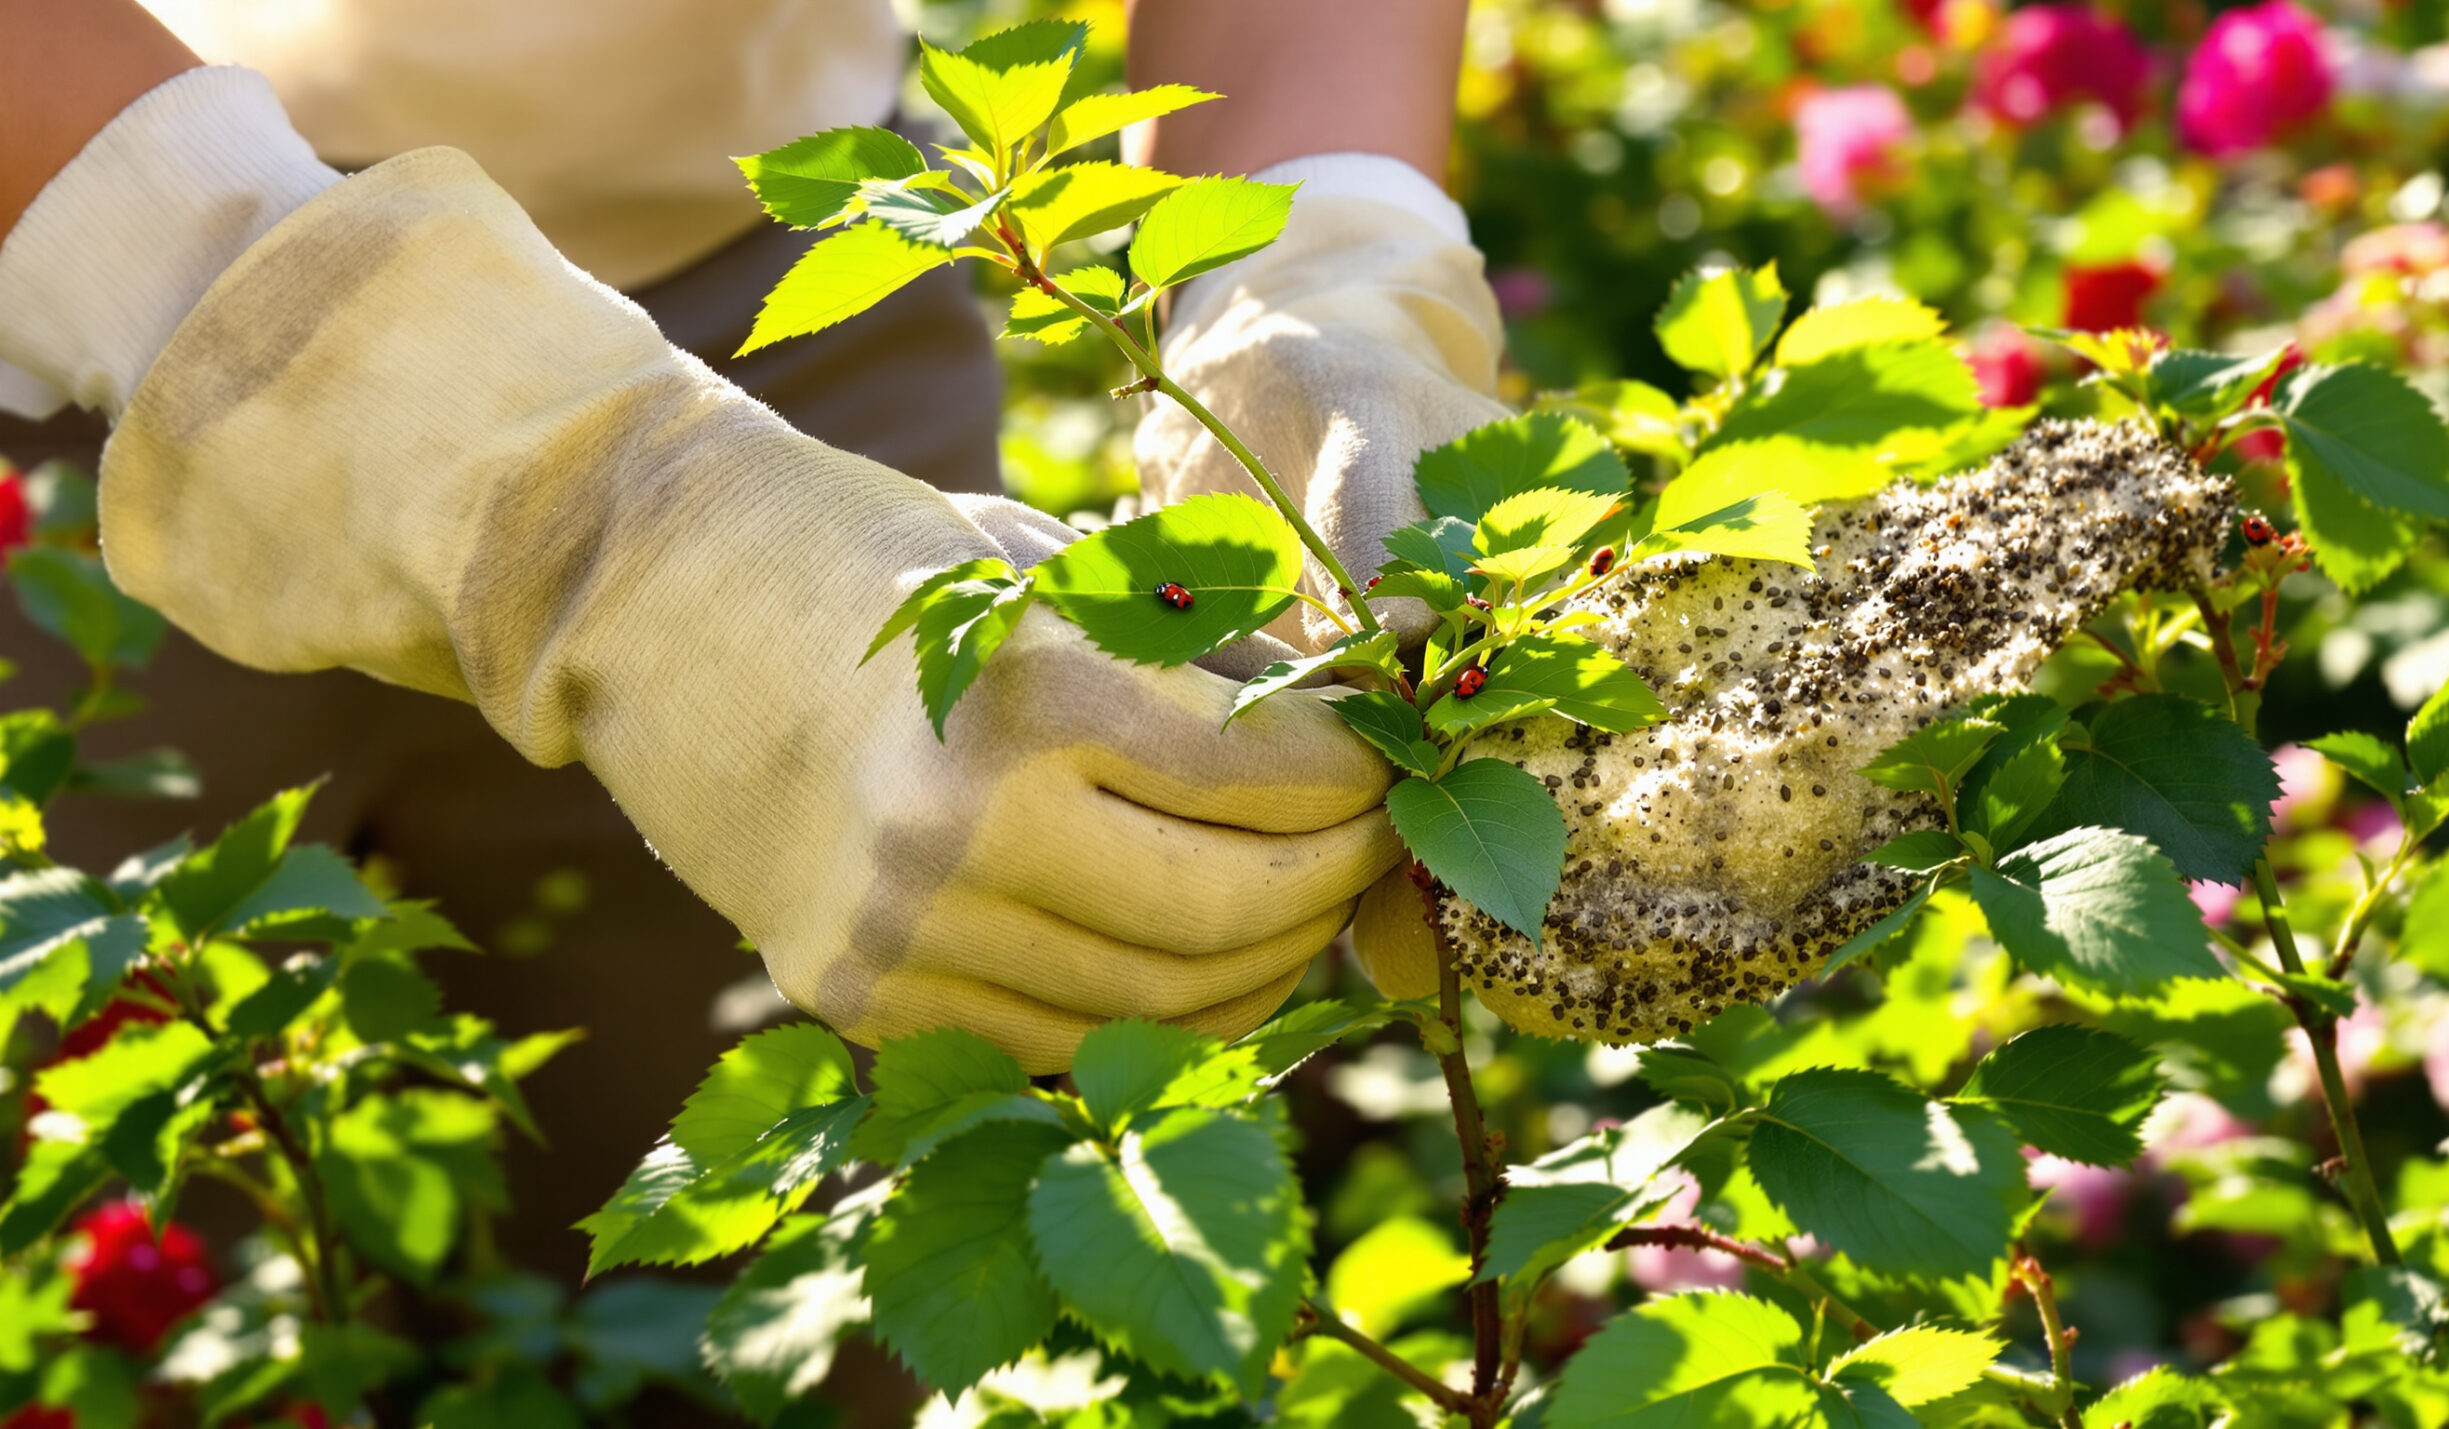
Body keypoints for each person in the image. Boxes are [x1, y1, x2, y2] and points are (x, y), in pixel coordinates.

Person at [0, 0, 1509, 1267]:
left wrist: (1316, 272)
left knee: (801, 1245)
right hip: (61, 285)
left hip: (775, 286)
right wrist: (582, 514)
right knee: (82, 1244)